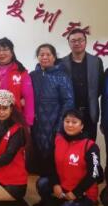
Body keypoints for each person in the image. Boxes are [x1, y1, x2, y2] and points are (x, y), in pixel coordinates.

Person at [36, 109, 102, 206]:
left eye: (74, 122)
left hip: (83, 192)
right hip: (63, 189)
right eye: (67, 121)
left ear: (82, 125)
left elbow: (94, 174)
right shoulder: (57, 139)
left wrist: (76, 192)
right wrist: (55, 184)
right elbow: (50, 164)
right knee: (42, 183)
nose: (70, 125)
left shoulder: (90, 146)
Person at [30, 44, 75, 176]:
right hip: (36, 123)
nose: (45, 57)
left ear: (54, 57)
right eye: (41, 55)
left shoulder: (62, 76)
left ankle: (51, 183)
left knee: (53, 155)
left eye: (48, 54)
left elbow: (68, 101)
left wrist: (61, 124)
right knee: (38, 155)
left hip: (55, 122)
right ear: (37, 57)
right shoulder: (32, 75)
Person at [59, 28, 104, 140]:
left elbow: (100, 86)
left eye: (80, 40)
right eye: (73, 41)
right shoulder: (61, 63)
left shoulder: (96, 62)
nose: (77, 43)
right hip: (70, 113)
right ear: (68, 43)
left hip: (90, 112)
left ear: (86, 41)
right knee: (70, 146)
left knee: (89, 144)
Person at [0, 37, 35, 127]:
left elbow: (28, 98)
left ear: (12, 52)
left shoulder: (21, 72)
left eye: (5, 50)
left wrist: (28, 121)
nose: (2, 53)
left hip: (15, 117)